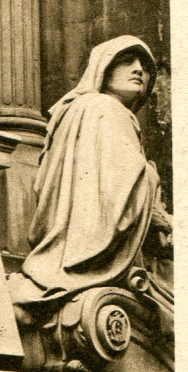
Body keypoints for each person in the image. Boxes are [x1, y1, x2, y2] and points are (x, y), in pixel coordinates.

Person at [9, 36, 173, 320]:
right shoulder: (107, 109)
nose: (138, 70)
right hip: (92, 248)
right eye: (127, 61)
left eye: (145, 66)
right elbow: (122, 185)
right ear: (104, 68)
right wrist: (151, 186)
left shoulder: (79, 108)